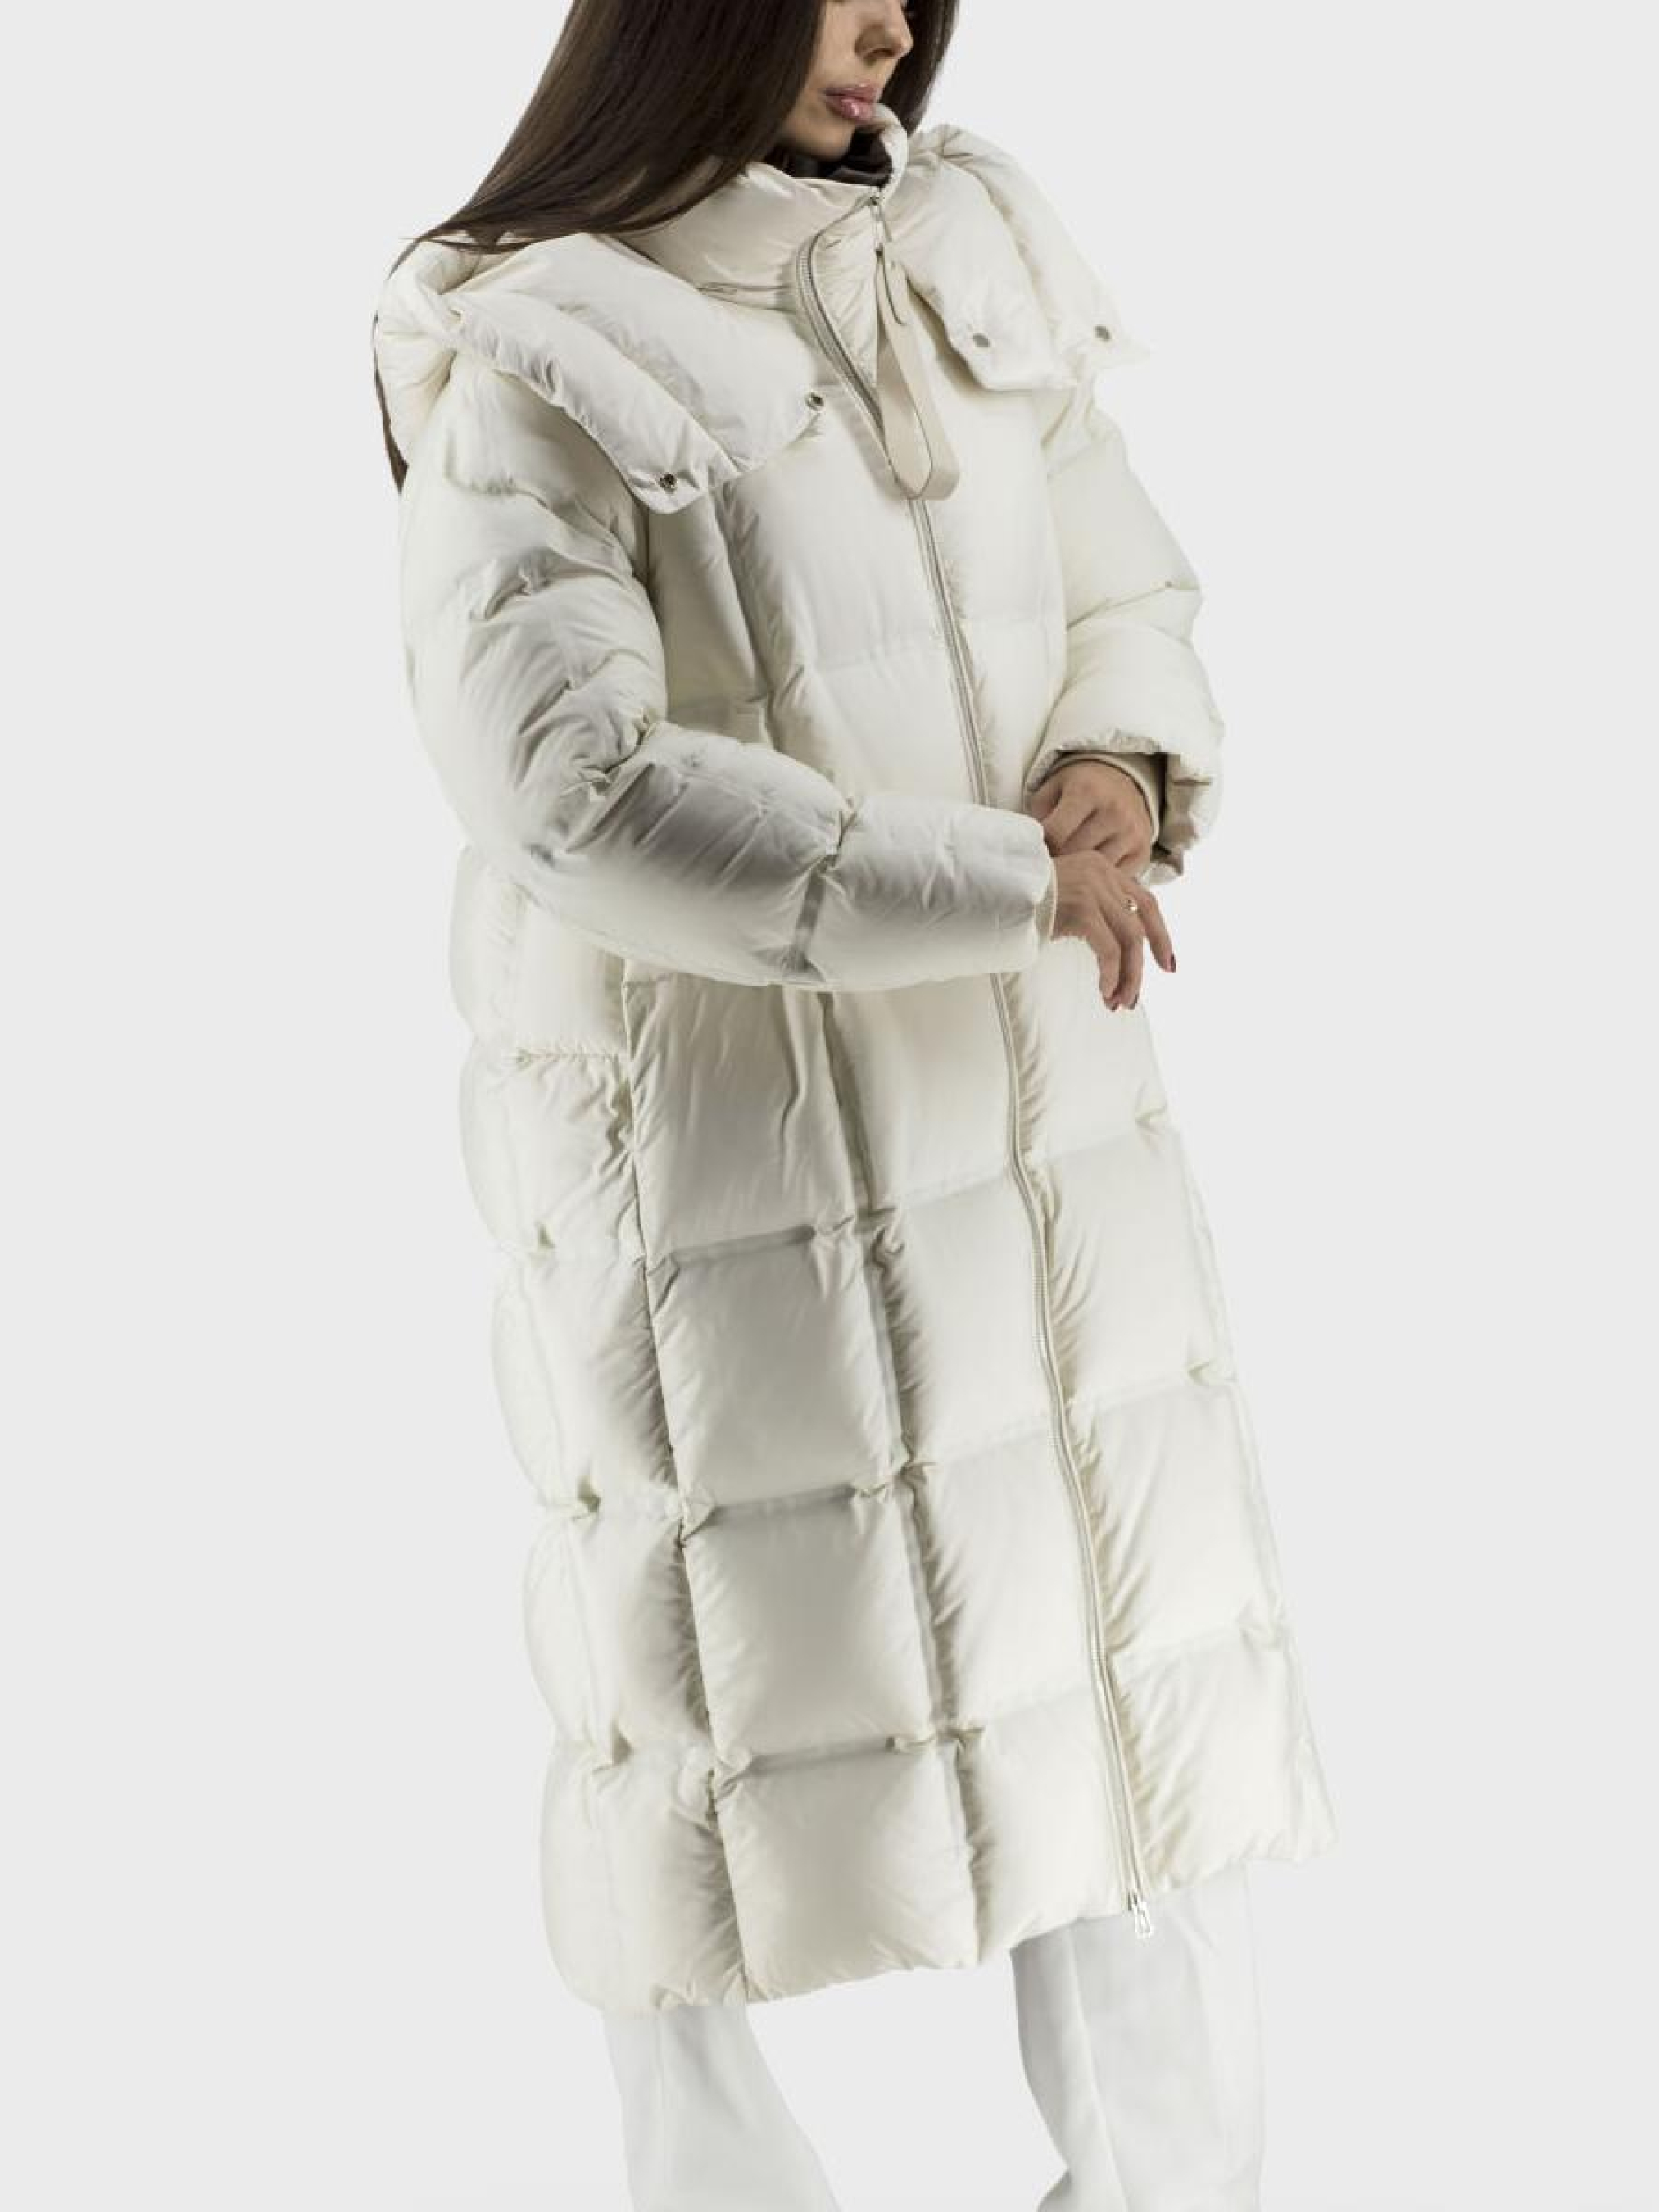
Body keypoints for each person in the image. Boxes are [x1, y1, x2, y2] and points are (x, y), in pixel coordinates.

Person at [370, 2, 1339, 2204]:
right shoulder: (541, 344)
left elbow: (1123, 575)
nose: (891, 20)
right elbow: (570, 787)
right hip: (736, 1175)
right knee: (715, 1741)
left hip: (1042, 1132)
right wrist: (1008, 879)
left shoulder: (964, 243)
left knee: (1132, 1693)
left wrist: (1118, 762)